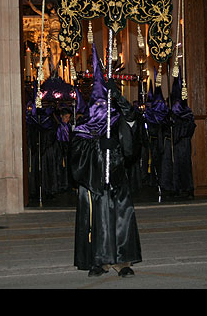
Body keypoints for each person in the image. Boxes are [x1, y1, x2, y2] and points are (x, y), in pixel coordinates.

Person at [70, 42, 142, 277]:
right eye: (98, 105)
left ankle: (123, 262)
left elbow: (132, 122)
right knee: (98, 221)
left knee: (121, 217)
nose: (102, 108)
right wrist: (97, 147)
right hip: (95, 183)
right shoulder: (83, 128)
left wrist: (118, 96)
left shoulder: (117, 121)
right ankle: (100, 261)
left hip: (117, 177)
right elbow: (76, 156)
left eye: (105, 104)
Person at [168, 68, 196, 200]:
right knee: (176, 164)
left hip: (183, 140)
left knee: (184, 164)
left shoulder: (184, 110)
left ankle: (188, 188)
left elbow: (189, 123)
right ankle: (177, 188)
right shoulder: (175, 105)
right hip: (177, 139)